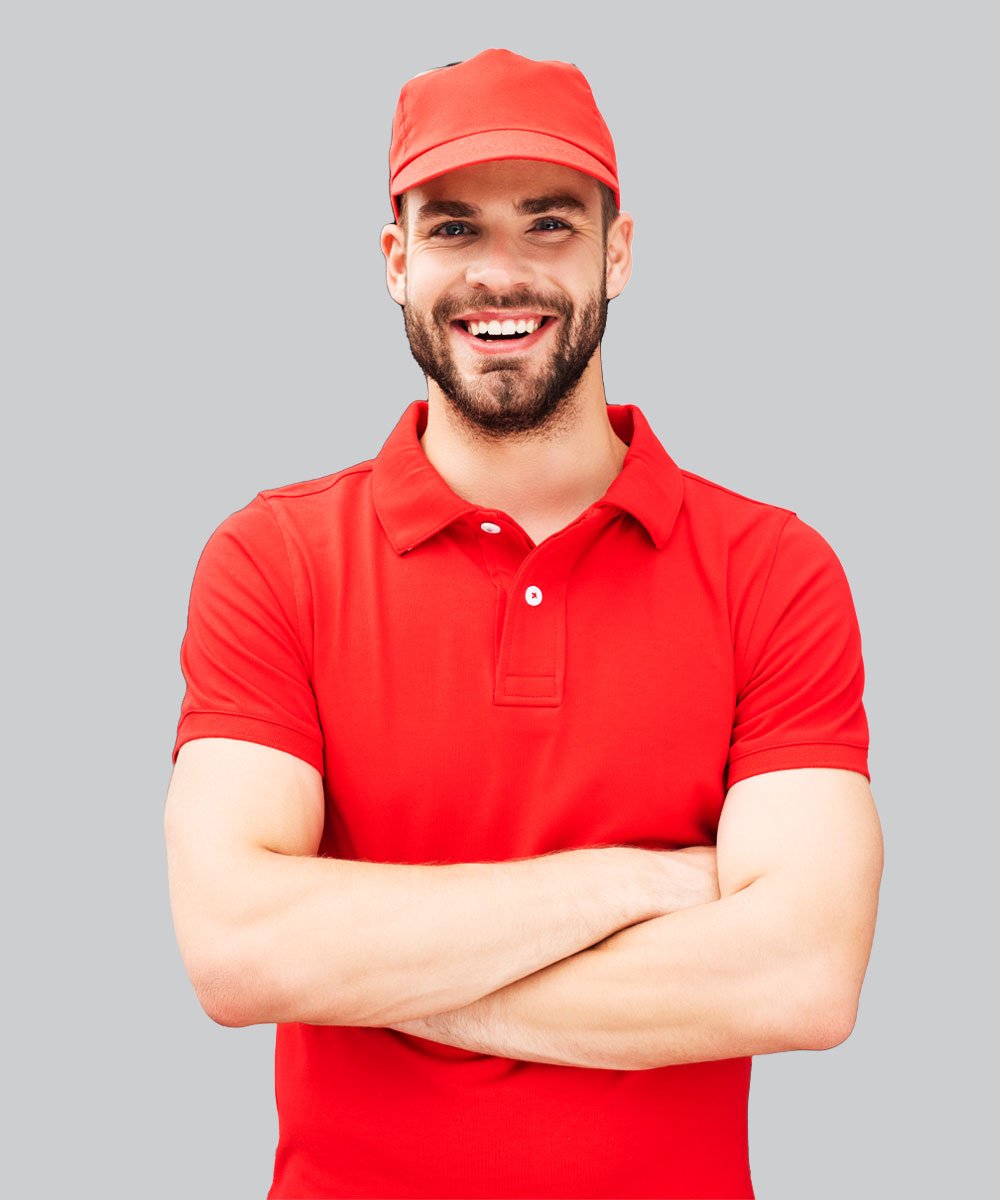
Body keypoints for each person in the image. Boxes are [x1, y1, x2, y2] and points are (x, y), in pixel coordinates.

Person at [164, 48, 884, 1200]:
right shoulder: (273, 561)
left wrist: (369, 972)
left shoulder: (772, 571)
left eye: (549, 224)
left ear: (618, 252)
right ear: (397, 263)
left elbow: (798, 978)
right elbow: (239, 952)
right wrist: (633, 885)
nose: (500, 273)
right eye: (455, 229)